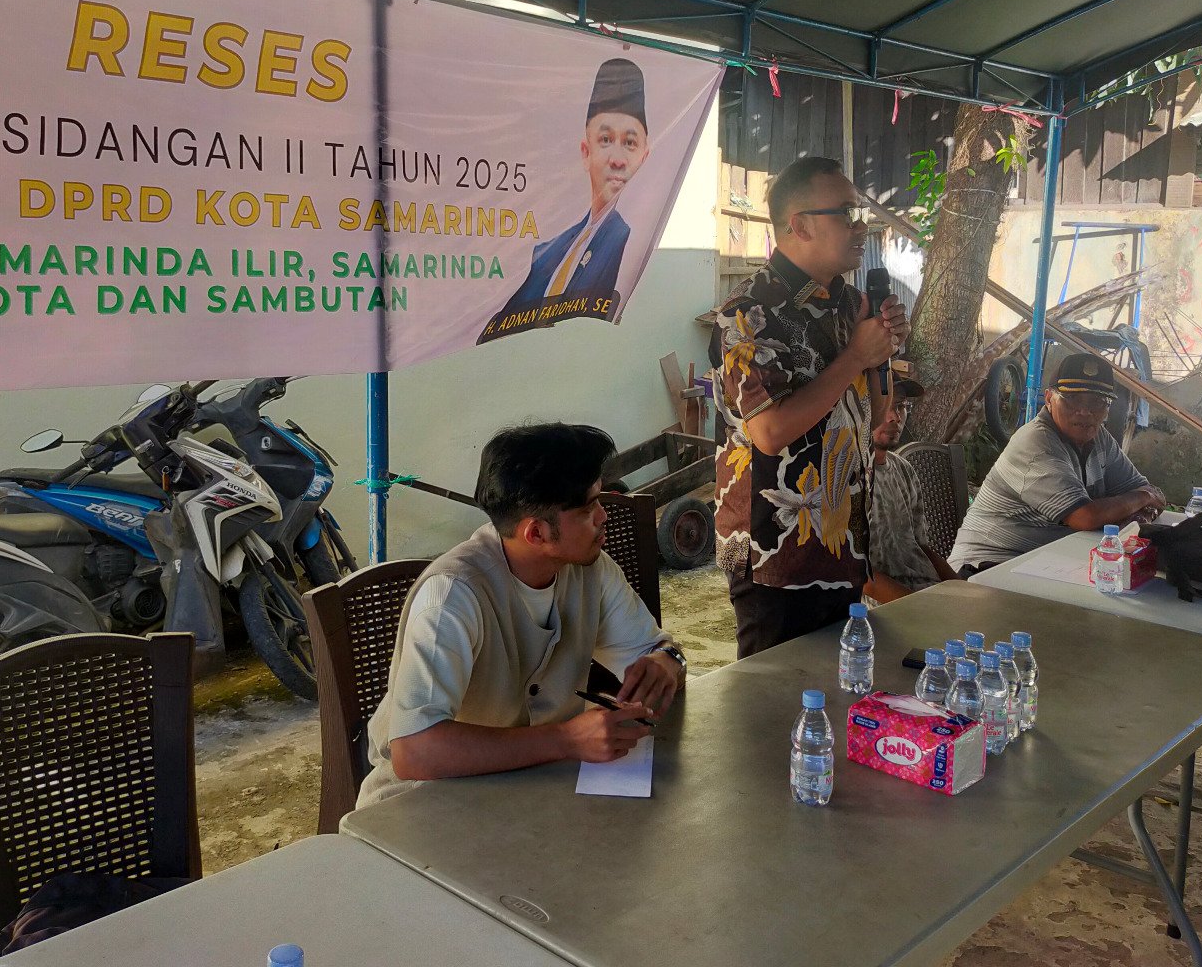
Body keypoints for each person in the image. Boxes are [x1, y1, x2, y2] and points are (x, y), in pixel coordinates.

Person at [357, 423, 686, 808]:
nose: (603, 516)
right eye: (588, 508)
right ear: (536, 534)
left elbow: (655, 649)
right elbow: (415, 751)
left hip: (534, 791)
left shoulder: (591, 571)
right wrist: (566, 739)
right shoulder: (452, 597)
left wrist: (666, 662)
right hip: (421, 806)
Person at [710, 156, 909, 657]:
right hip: (776, 551)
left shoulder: (850, 303)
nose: (861, 227)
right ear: (799, 226)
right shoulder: (748, 312)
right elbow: (770, 433)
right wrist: (855, 356)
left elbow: (873, 415)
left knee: (839, 686)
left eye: (861, 213)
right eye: (847, 213)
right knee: (773, 696)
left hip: (844, 539)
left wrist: (881, 352)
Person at [949, 352, 1167, 572]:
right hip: (990, 566)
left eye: (1097, 402)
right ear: (1049, 399)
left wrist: (1142, 511)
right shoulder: (1036, 443)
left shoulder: (1100, 438)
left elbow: (1145, 490)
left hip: (1050, 562)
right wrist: (1143, 499)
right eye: (1072, 399)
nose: (1085, 412)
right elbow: (1085, 517)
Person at [479, 58, 650, 340]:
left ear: (644, 156)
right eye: (605, 140)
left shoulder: (630, 242)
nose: (618, 159)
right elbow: (494, 330)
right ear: (586, 152)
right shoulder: (551, 250)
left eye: (630, 143)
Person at [863, 377, 959, 603]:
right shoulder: (847, 478)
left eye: (900, 406)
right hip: (879, 608)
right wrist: (917, 609)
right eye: (883, 406)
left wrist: (962, 590)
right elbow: (863, 578)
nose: (894, 417)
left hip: (927, 592)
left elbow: (921, 546)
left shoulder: (904, 469)